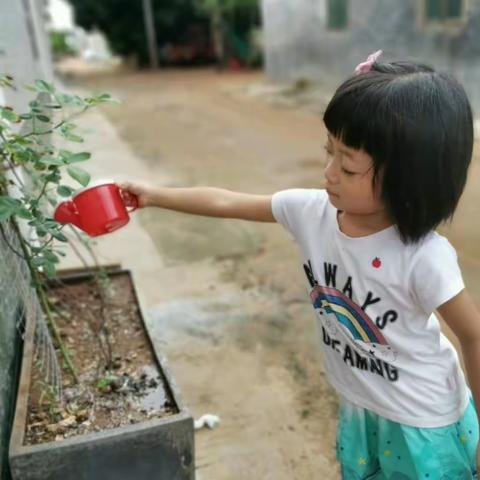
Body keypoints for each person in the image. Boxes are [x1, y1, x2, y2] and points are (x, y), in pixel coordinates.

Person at [119, 50, 480, 479]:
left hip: (423, 423)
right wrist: (154, 195)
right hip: (362, 408)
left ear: (410, 178)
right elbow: (226, 201)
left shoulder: (422, 257)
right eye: (329, 152)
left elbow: (473, 337)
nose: (328, 172)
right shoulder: (310, 212)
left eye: (346, 165)